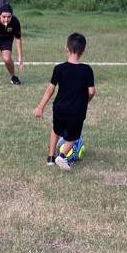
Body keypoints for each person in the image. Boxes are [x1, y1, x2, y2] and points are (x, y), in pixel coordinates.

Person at [34, 33, 96, 171]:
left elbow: (50, 89)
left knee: (56, 130)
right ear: (83, 51)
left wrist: (40, 107)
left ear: (66, 48)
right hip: (77, 110)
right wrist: (85, 101)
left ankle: (50, 158)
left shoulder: (59, 68)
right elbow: (91, 91)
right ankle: (61, 156)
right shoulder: (87, 70)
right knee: (74, 136)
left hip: (59, 108)